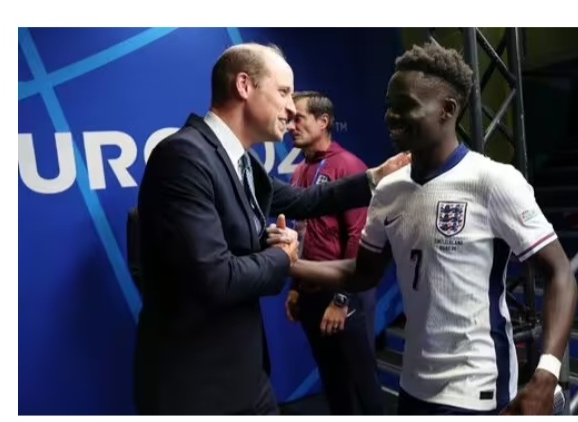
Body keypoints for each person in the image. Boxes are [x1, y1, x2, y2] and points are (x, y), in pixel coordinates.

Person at [269, 41, 578, 415]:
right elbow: (363, 273)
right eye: (389, 107)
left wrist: (546, 375)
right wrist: (289, 262)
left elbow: (559, 272)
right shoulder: (388, 190)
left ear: (447, 110)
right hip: (412, 385)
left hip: (476, 388)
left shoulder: (493, 181)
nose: (391, 118)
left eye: (405, 107)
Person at [134, 42, 409, 415]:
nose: (293, 108)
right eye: (283, 92)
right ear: (244, 86)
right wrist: (282, 255)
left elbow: (303, 201)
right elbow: (215, 277)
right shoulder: (184, 157)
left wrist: (374, 178)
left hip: (244, 376)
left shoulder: (237, 160)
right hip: (200, 386)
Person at [285, 91, 384, 415]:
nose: (290, 125)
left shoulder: (349, 166)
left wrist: (342, 300)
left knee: (362, 385)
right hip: (312, 293)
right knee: (333, 383)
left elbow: (360, 236)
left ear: (324, 121)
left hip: (344, 294)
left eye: (298, 118)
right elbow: (300, 233)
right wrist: (296, 290)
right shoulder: (299, 171)